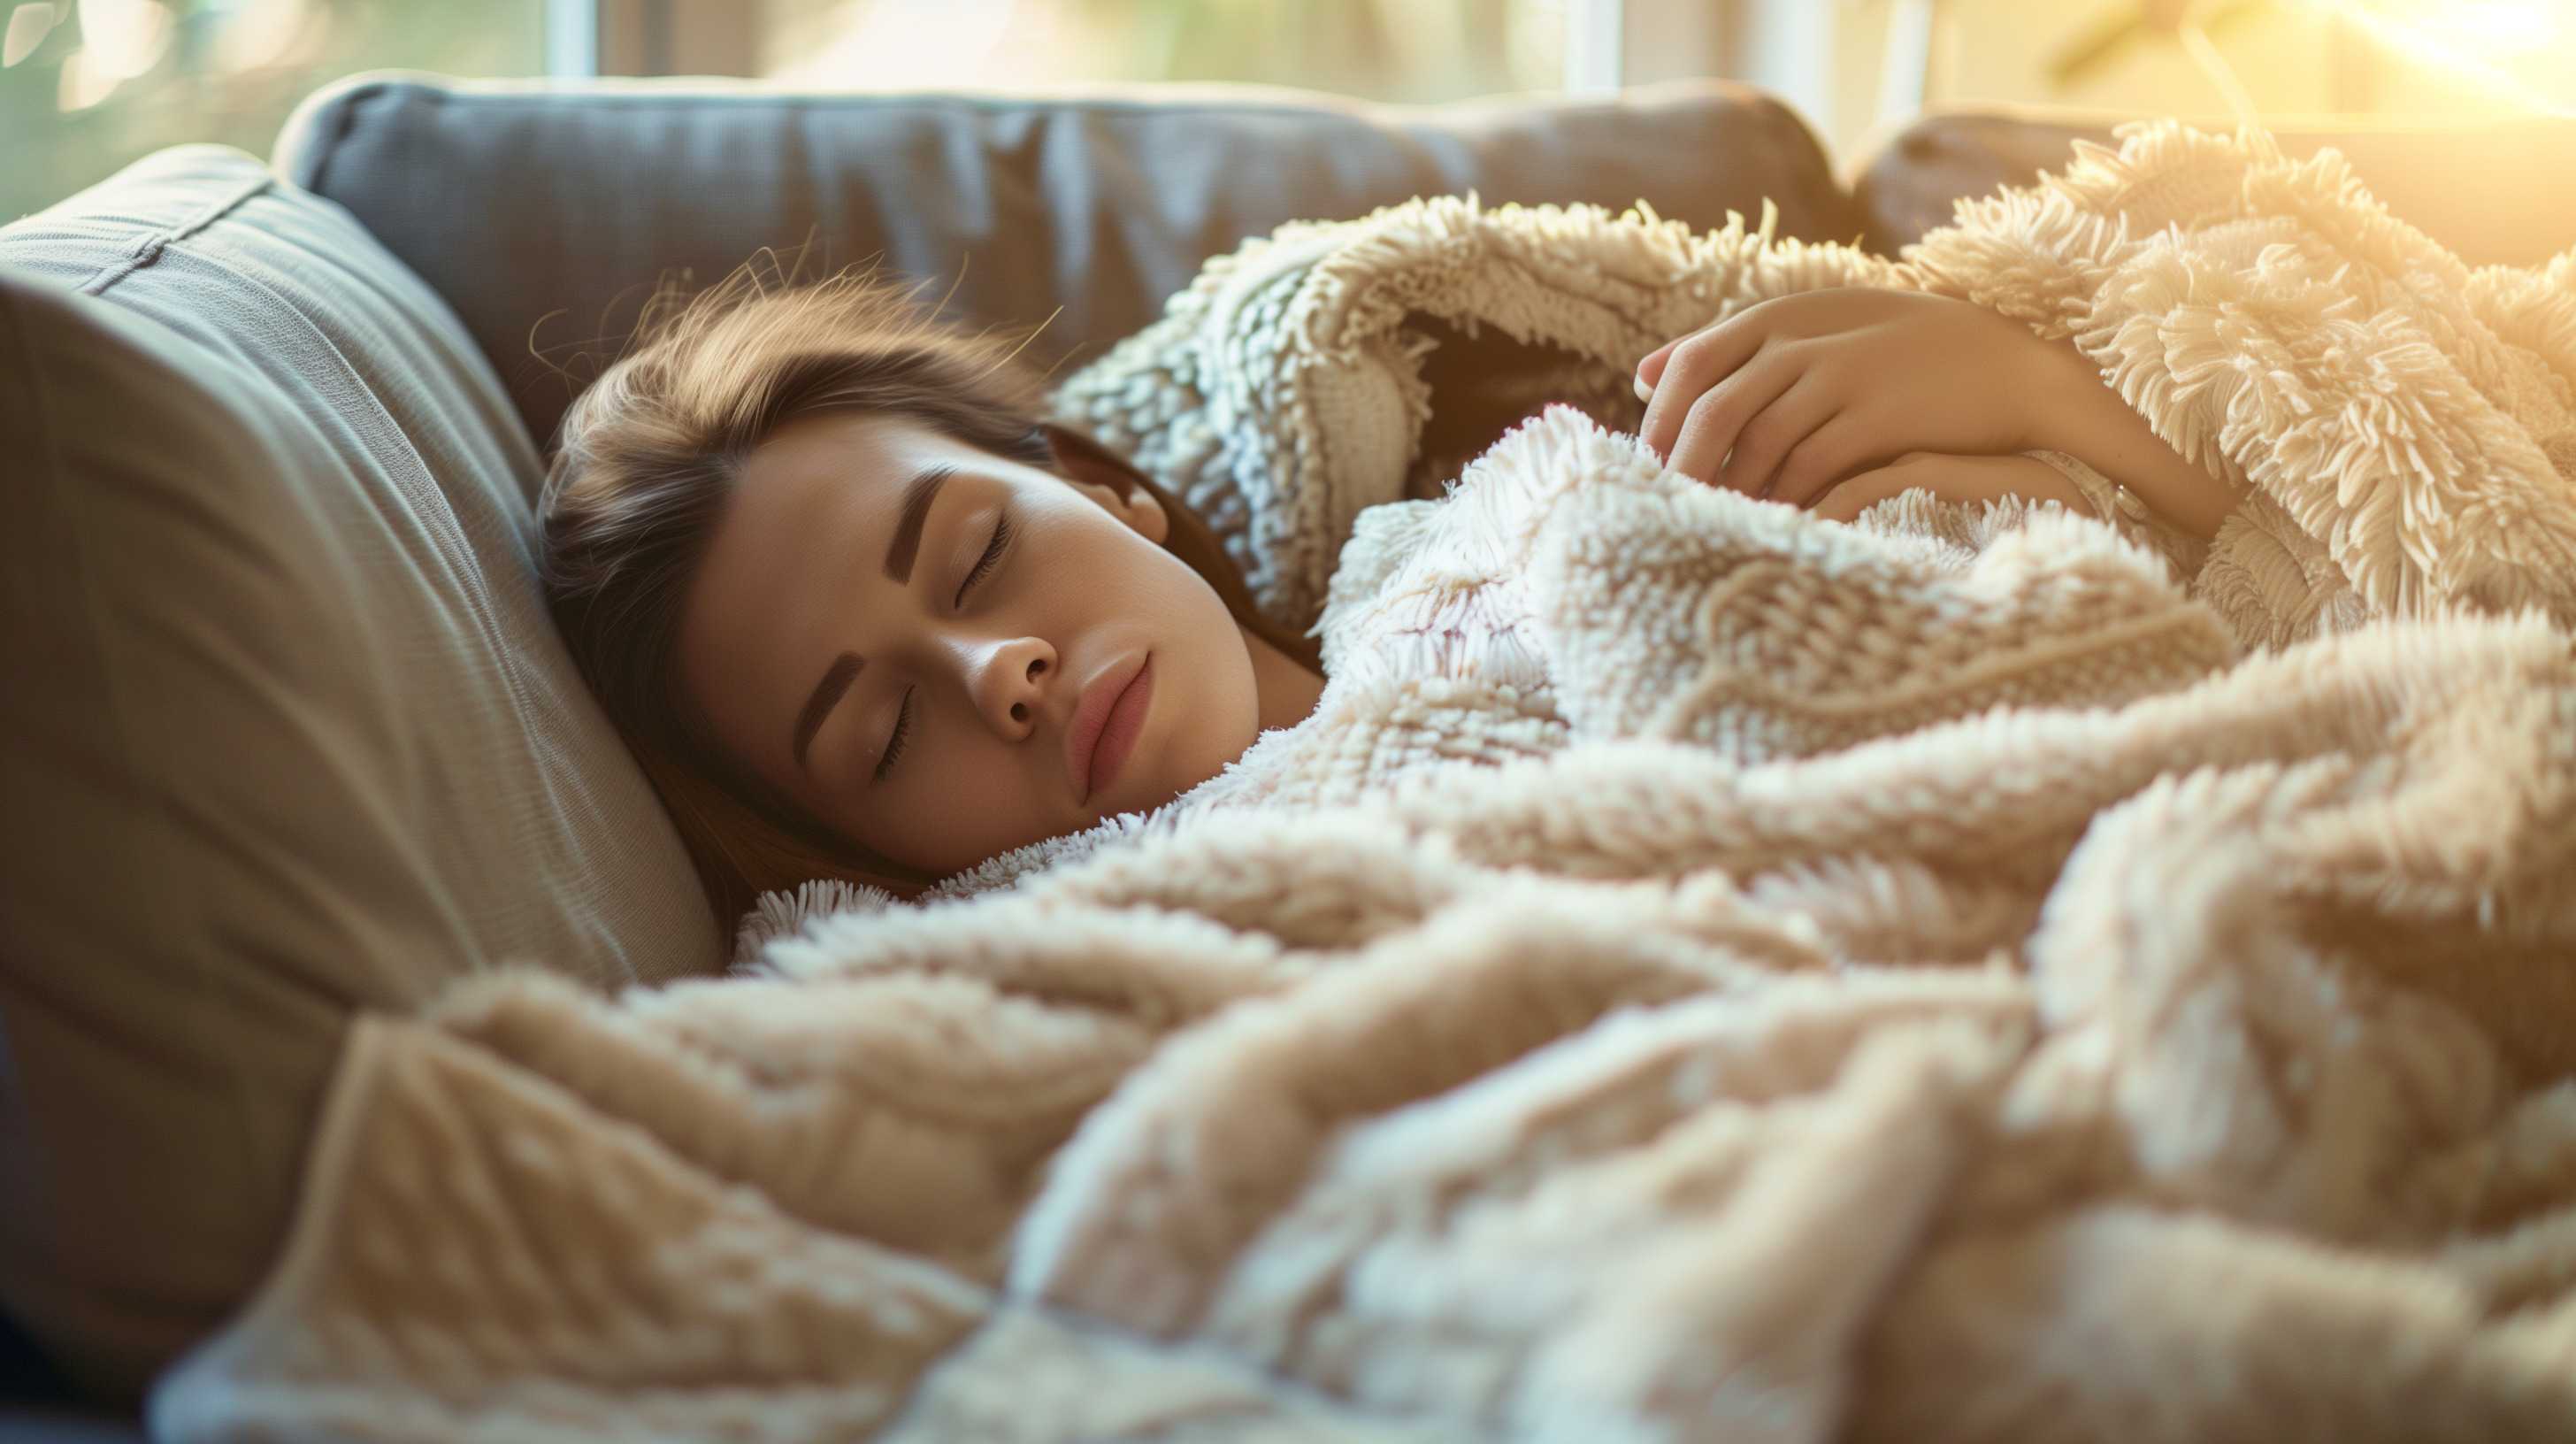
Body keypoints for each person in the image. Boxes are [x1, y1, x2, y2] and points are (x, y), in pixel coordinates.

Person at [540, 266, 2236, 922]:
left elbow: (2192, 632)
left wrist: (2047, 400)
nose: (1003, 673)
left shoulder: (1536, 521)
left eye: (978, 555)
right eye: (884, 730)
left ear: (1102, 486)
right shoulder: (1008, 946)